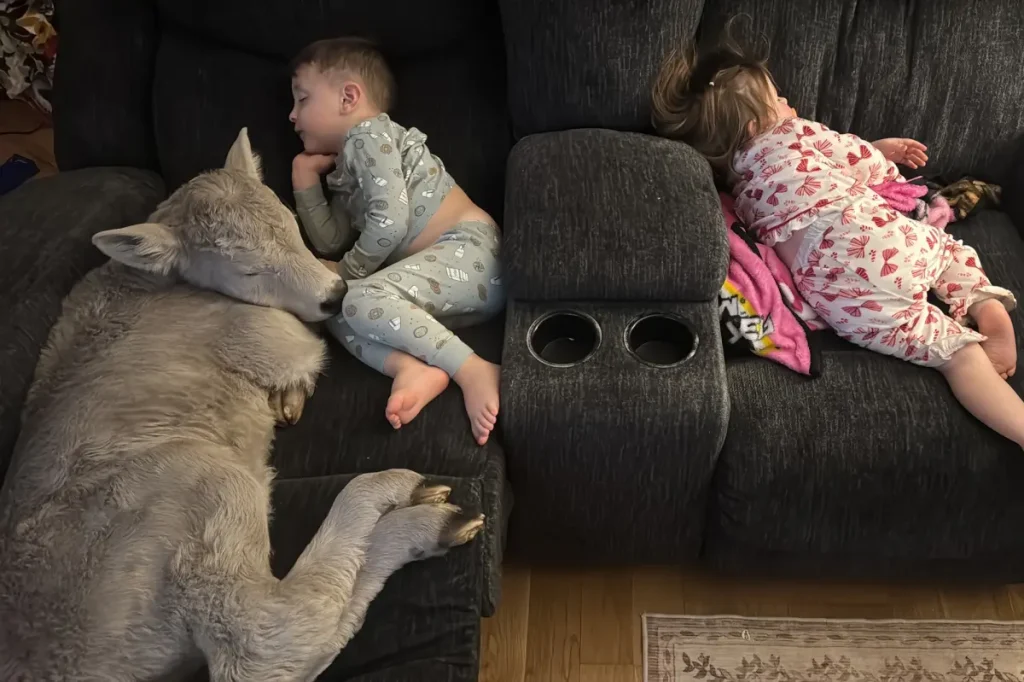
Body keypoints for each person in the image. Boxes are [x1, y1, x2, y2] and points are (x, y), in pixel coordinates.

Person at [650, 23, 1023, 449]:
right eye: (780, 100)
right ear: (756, 126)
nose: (790, 104)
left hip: (842, 292)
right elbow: (867, 166)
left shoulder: (741, 194)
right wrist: (881, 155)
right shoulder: (796, 133)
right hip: (884, 239)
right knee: (950, 252)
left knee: (952, 355)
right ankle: (984, 303)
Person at [289, 37, 504, 445]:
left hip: (473, 253)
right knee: (332, 308)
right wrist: (305, 182)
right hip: (440, 289)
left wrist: (346, 273)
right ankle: (412, 367)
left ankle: (472, 369)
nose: (292, 115)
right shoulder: (346, 171)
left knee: (353, 295)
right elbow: (331, 240)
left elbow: (389, 224)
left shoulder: (368, 136)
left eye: (302, 99)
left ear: (349, 97)